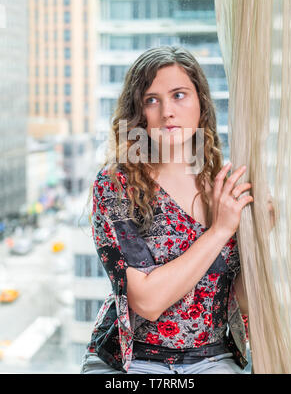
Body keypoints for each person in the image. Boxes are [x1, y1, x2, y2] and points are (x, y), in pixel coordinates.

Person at [80, 45, 253, 375]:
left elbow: (238, 298)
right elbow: (147, 302)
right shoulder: (115, 184)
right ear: (138, 112)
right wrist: (219, 231)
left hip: (213, 358)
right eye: (152, 99)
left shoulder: (223, 185)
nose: (167, 112)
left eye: (179, 95)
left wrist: (263, 240)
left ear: (201, 103)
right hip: (131, 362)